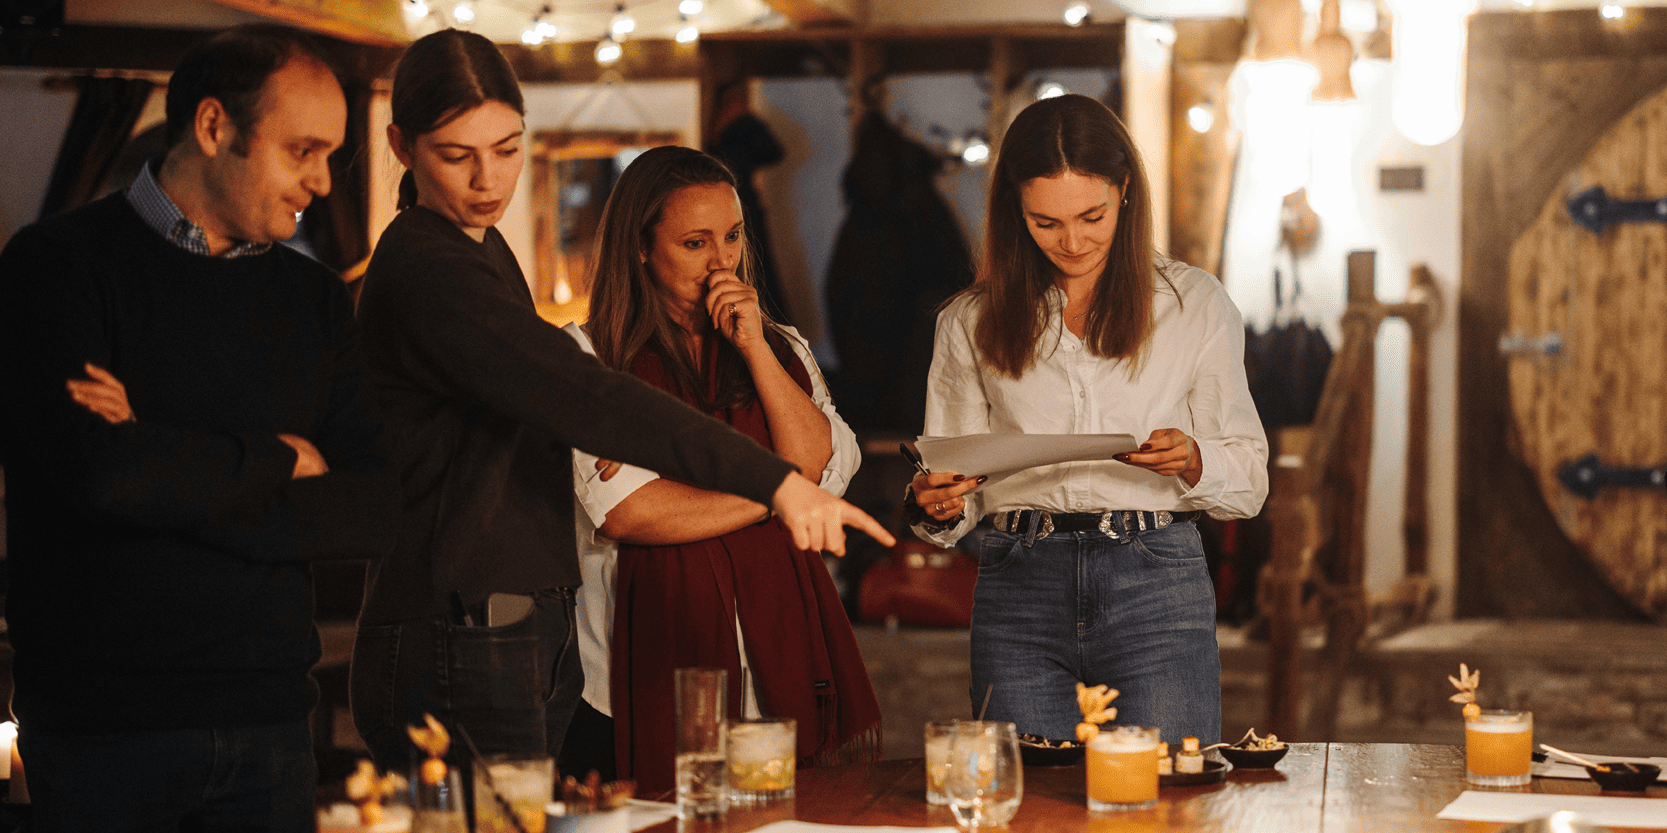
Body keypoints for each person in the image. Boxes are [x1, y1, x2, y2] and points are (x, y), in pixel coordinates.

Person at [349, 30, 891, 775]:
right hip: (463, 616)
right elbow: (589, 403)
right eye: (457, 154)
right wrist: (771, 484)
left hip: (500, 613)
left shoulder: (477, 247)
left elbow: (828, 455)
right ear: (401, 146)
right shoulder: (431, 266)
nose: (488, 179)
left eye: (507, 148)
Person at [0, 24, 397, 830]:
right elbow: (96, 475)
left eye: (331, 157)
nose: (322, 183)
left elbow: (375, 502)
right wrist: (281, 457)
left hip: (273, 723)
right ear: (215, 128)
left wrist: (158, 455)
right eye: (304, 151)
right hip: (102, 730)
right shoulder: (55, 267)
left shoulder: (315, 300)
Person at [907, 94, 1268, 746]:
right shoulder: (968, 319)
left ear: (1124, 191)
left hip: (1154, 577)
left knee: (1166, 804)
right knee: (1021, 808)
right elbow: (953, 485)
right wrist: (935, 501)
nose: (1071, 241)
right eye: (1045, 222)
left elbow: (1248, 479)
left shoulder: (1193, 304)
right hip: (1018, 577)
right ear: (1013, 213)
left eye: (1091, 216)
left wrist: (1192, 458)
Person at [564, 146, 881, 792]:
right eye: (694, 241)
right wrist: (777, 495)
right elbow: (632, 510)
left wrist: (753, 347)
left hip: (775, 671)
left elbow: (820, 463)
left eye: (732, 236)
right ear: (641, 249)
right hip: (634, 673)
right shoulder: (588, 355)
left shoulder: (781, 345)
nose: (722, 261)